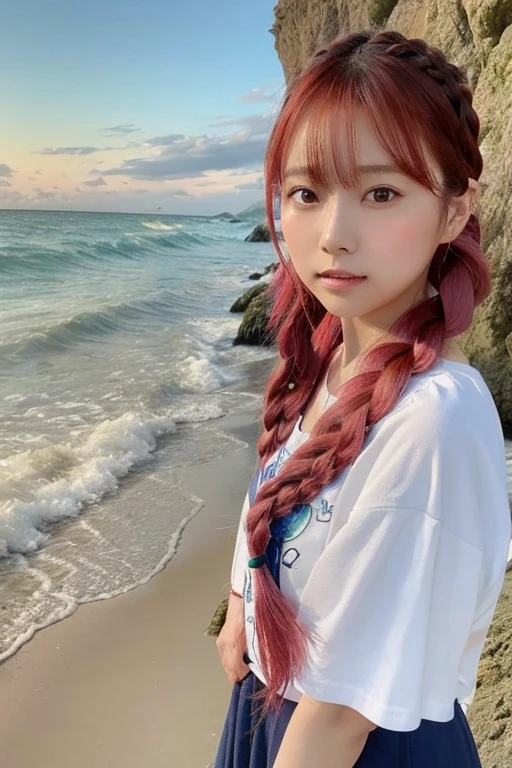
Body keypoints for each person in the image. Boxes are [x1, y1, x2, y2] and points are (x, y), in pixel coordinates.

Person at [214, 28, 511, 768]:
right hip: (275, 712)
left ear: (452, 209)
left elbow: (340, 720)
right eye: (306, 193)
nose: (334, 235)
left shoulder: (432, 420)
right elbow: (284, 488)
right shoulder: (325, 366)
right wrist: (241, 608)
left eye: (381, 192)